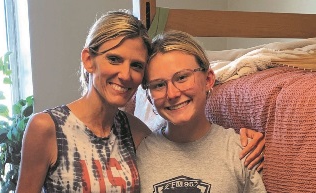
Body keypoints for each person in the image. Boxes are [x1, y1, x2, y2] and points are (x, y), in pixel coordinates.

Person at [16, 10, 263, 193]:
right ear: (89, 60)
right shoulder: (47, 128)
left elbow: (182, 141)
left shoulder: (133, 132)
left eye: (136, 65)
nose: (125, 75)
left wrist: (246, 138)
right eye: (114, 59)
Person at [136, 30, 266, 192]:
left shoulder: (240, 151)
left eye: (182, 77)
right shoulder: (139, 154)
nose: (173, 94)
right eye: (158, 85)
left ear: (208, 80)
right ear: (149, 98)